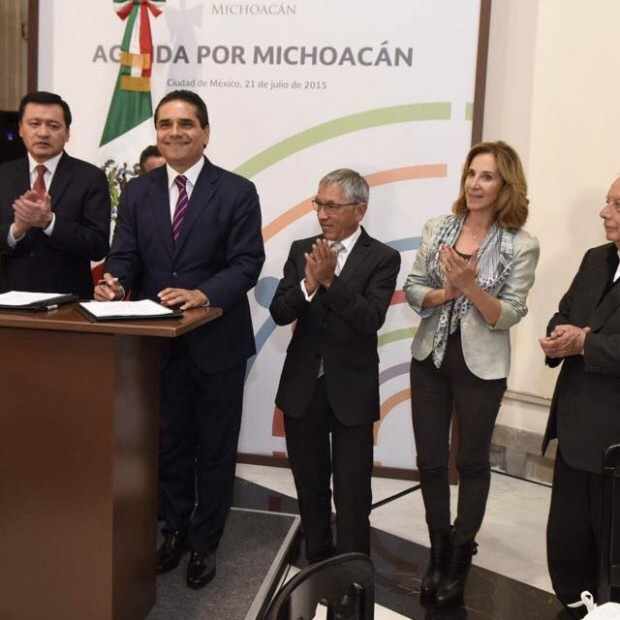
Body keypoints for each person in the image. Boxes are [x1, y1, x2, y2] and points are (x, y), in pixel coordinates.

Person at [94, 90, 265, 589]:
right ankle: (173, 530)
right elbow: (125, 254)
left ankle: (205, 542)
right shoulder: (138, 192)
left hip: (218, 342)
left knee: (214, 448)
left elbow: (247, 263)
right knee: (169, 445)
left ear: (205, 132)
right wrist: (116, 283)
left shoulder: (237, 191)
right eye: (165, 124)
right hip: (158, 344)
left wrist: (202, 293)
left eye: (186, 124)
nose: (175, 133)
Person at [403, 141, 539, 606]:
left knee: (472, 461)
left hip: (480, 366)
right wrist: (445, 293)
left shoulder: (521, 244)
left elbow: (509, 314)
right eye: (471, 174)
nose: (475, 184)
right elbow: (414, 289)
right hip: (430, 359)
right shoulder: (438, 227)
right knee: (430, 460)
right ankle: (438, 551)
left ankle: (460, 557)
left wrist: (469, 286)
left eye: (488, 176)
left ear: (506, 185)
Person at [270, 168, 401, 564]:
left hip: (351, 389)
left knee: (353, 489)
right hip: (303, 386)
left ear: (359, 210)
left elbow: (370, 318)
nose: (322, 214)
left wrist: (331, 281)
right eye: (318, 204)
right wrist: (309, 285)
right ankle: (317, 560)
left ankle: (352, 570)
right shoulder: (301, 249)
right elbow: (279, 312)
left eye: (332, 206)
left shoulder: (382, 257)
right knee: (309, 485)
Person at [540, 176, 620, 618]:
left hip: (614, 438)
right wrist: (558, 337)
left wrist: (586, 343)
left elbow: (591, 338)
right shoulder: (595, 259)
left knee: (611, 545)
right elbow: (564, 312)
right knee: (568, 538)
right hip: (575, 426)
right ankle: (575, 603)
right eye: (608, 202)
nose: (605, 212)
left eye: (617, 205)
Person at [0, 91, 110, 297]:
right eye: (34, 124)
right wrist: (16, 230)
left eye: (53, 126)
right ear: (21, 129)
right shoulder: (3, 175)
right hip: (9, 302)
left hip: (69, 302)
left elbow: (98, 246)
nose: (43, 133)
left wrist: (49, 222)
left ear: (67, 133)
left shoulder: (91, 178)